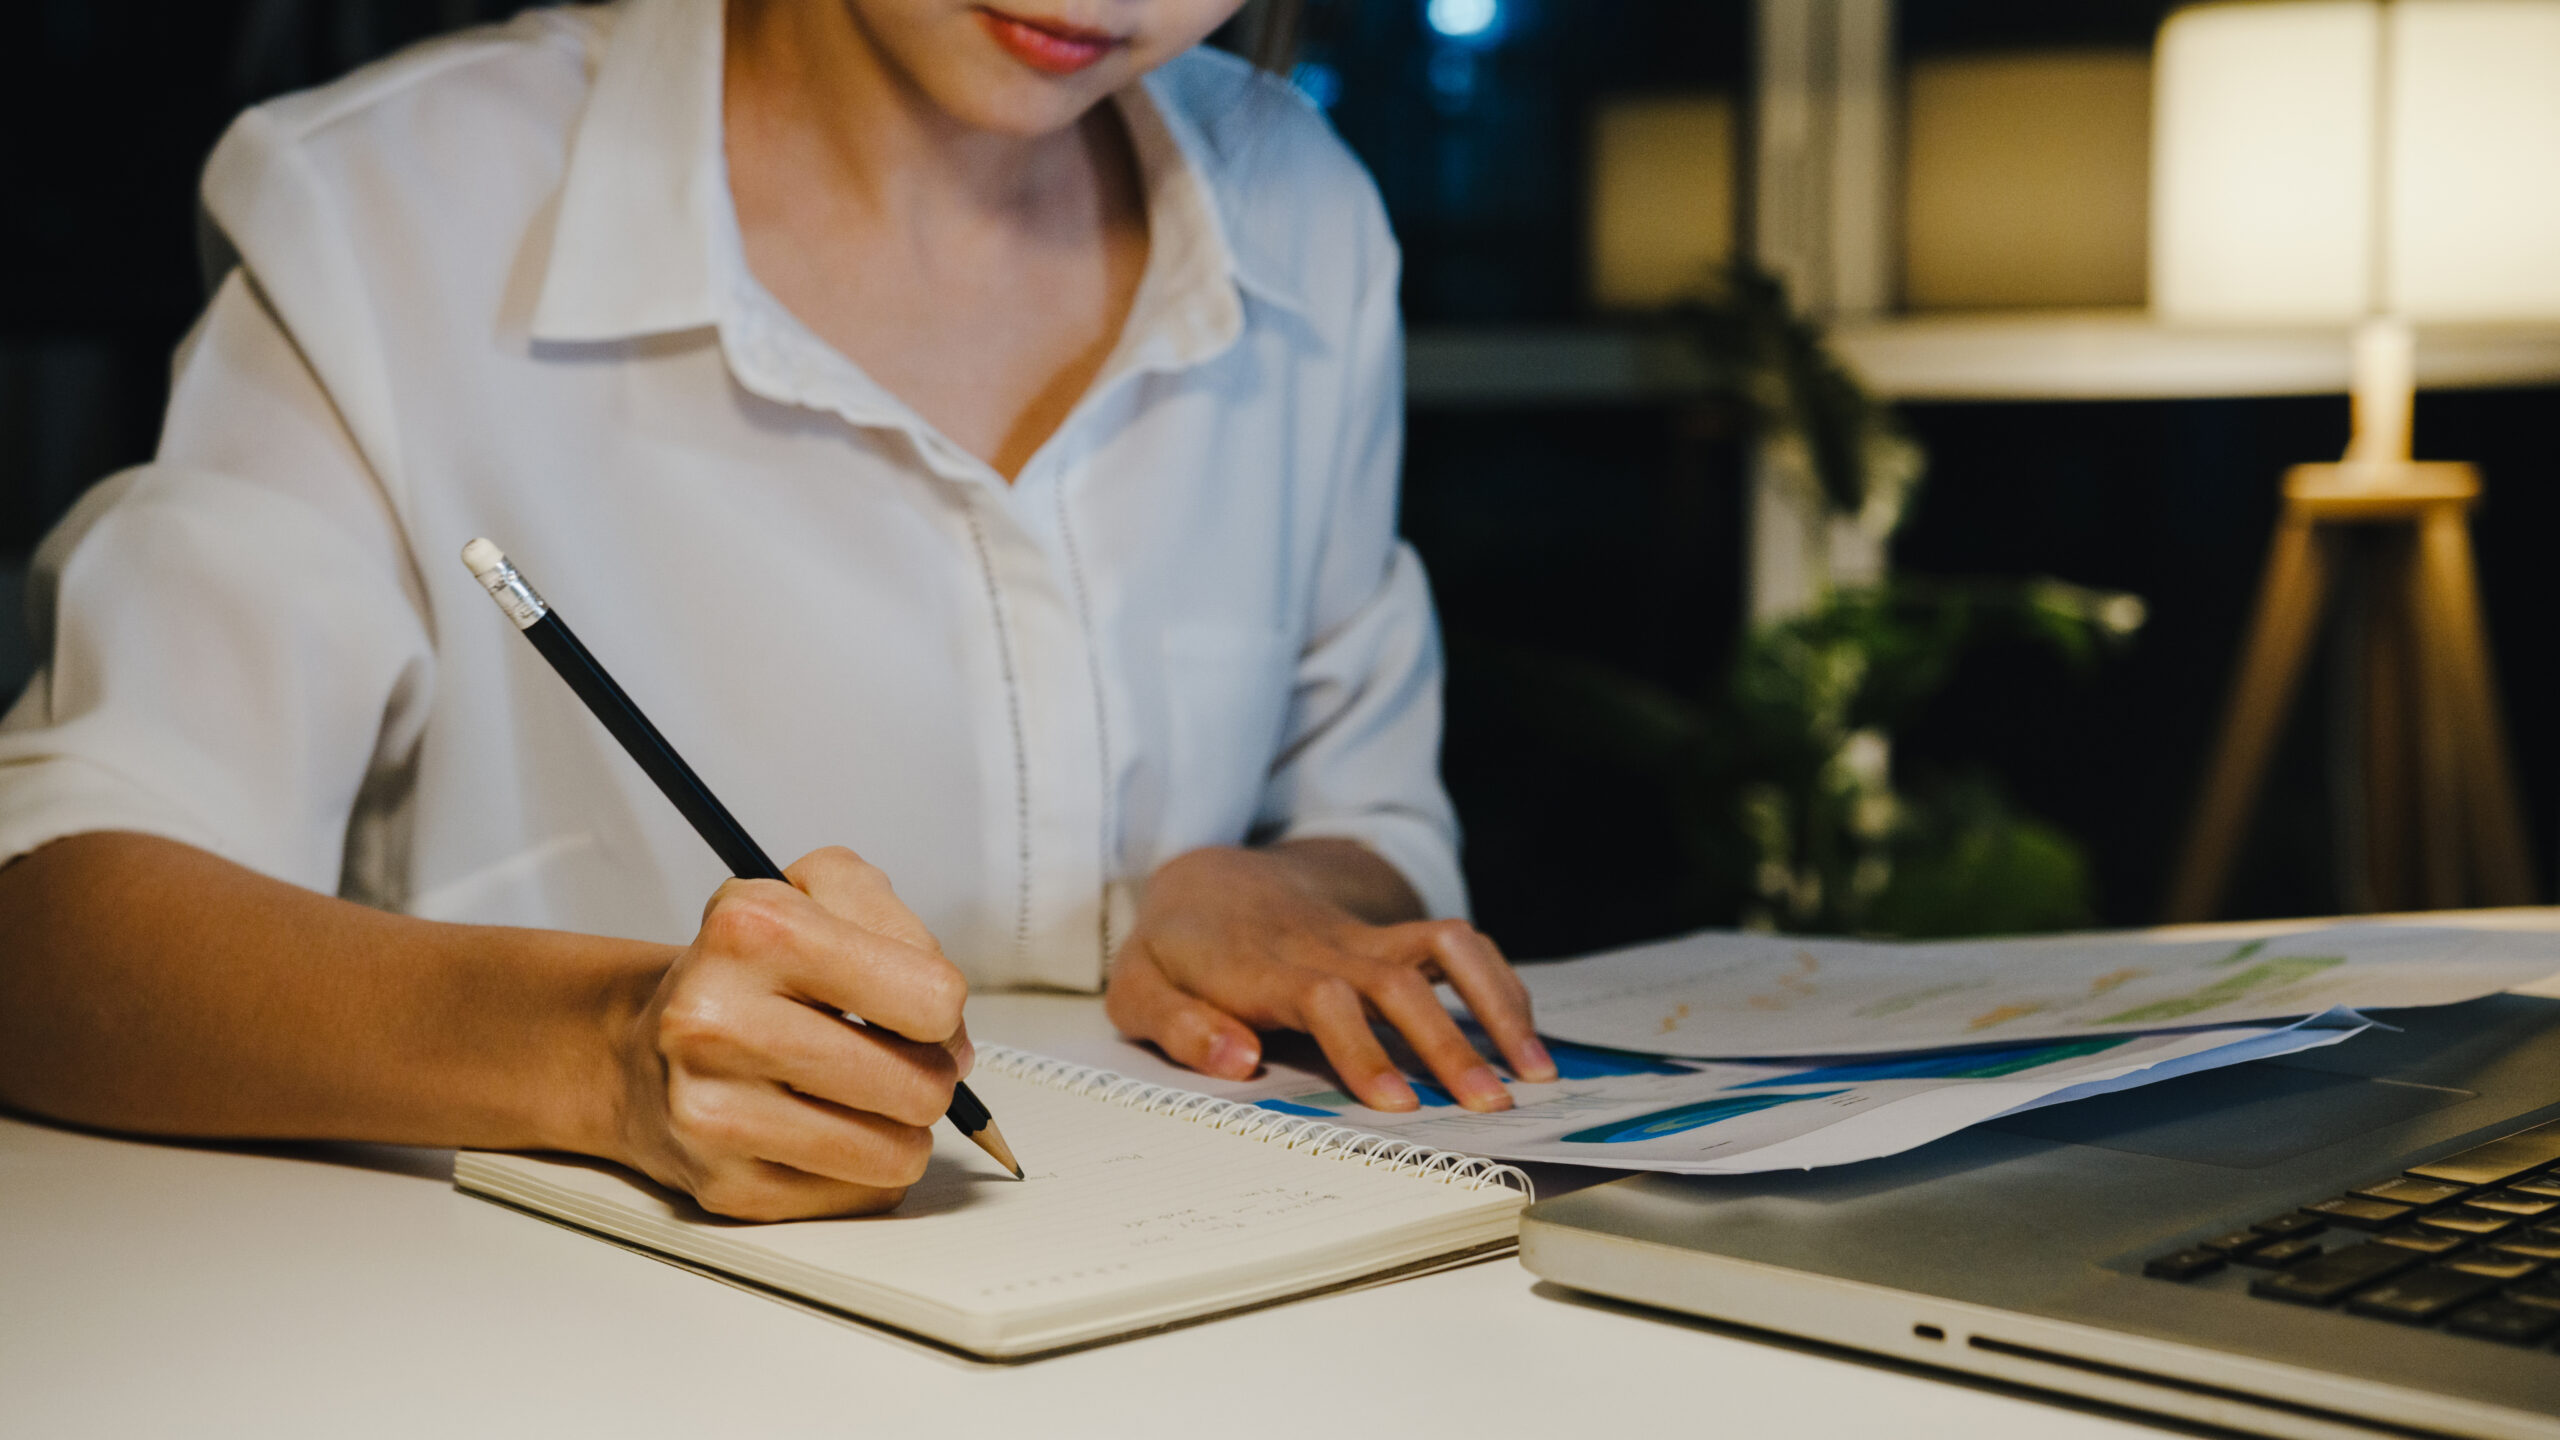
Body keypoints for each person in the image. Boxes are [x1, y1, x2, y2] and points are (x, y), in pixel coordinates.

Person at [0, 0, 1556, 1221]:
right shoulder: (390, 212)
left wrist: (1280, 889)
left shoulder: (1306, 215)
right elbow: (50, 936)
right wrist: (606, 1052)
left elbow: (1372, 818)